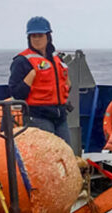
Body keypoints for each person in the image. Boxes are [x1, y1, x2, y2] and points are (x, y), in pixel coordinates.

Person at [8, 16, 72, 145]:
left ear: (48, 37)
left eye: (40, 35)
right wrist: (30, 77)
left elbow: (66, 83)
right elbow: (16, 92)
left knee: (67, 153)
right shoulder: (22, 61)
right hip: (38, 117)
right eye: (33, 36)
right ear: (29, 38)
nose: (37, 39)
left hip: (60, 116)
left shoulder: (57, 58)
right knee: (47, 155)